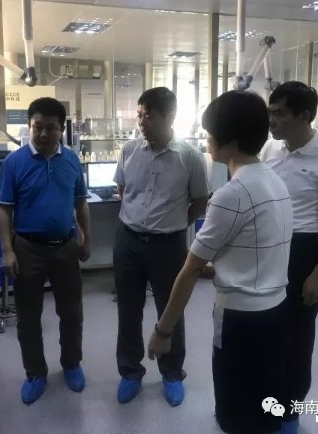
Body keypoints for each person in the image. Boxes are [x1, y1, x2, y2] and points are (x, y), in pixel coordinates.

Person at [148, 90, 293, 434]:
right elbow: (259, 246)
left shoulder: (231, 195)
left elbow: (190, 269)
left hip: (240, 318)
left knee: (233, 400)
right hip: (275, 310)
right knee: (264, 393)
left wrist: (162, 331)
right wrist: (222, 266)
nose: (206, 140)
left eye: (210, 133)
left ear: (232, 141)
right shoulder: (274, 180)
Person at [261, 82, 318, 433]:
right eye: (270, 112)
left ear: (304, 116)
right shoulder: (270, 149)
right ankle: (264, 403)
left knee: (296, 337)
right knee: (265, 331)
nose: (272, 121)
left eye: (279, 113)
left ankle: (289, 412)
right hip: (265, 248)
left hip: (302, 250)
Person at [113, 86, 209, 406]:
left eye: (149, 116)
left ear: (170, 117)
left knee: (171, 309)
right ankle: (130, 371)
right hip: (128, 242)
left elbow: (200, 202)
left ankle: (171, 373)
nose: (142, 122)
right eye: (139, 115)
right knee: (128, 310)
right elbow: (123, 191)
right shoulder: (129, 150)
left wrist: (174, 223)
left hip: (168, 246)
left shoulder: (190, 157)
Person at [0, 97, 92, 405]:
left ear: (62, 129)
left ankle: (71, 363)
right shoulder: (14, 163)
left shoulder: (71, 160)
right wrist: (7, 250)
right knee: (28, 317)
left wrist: (87, 238)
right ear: (29, 126)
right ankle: (35, 373)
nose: (43, 134)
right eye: (37, 127)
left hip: (65, 247)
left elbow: (80, 202)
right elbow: (4, 210)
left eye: (51, 128)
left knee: (72, 313)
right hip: (28, 249)